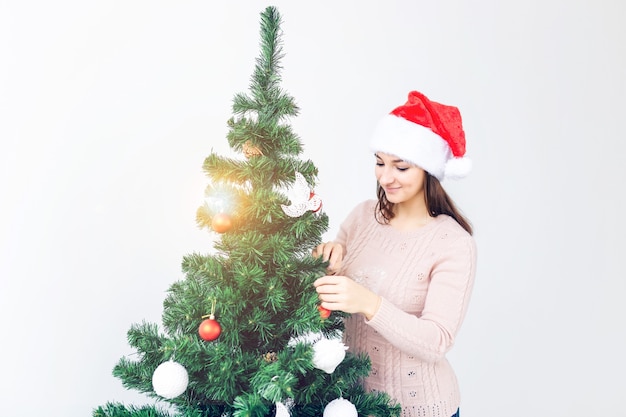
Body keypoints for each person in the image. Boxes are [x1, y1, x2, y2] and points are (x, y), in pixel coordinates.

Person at [313, 90, 476, 417]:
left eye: (400, 167)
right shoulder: (362, 217)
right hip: (348, 404)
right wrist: (326, 262)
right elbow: (329, 292)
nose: (385, 177)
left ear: (428, 170)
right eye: (379, 163)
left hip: (418, 408)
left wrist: (369, 304)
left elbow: (437, 340)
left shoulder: (452, 243)